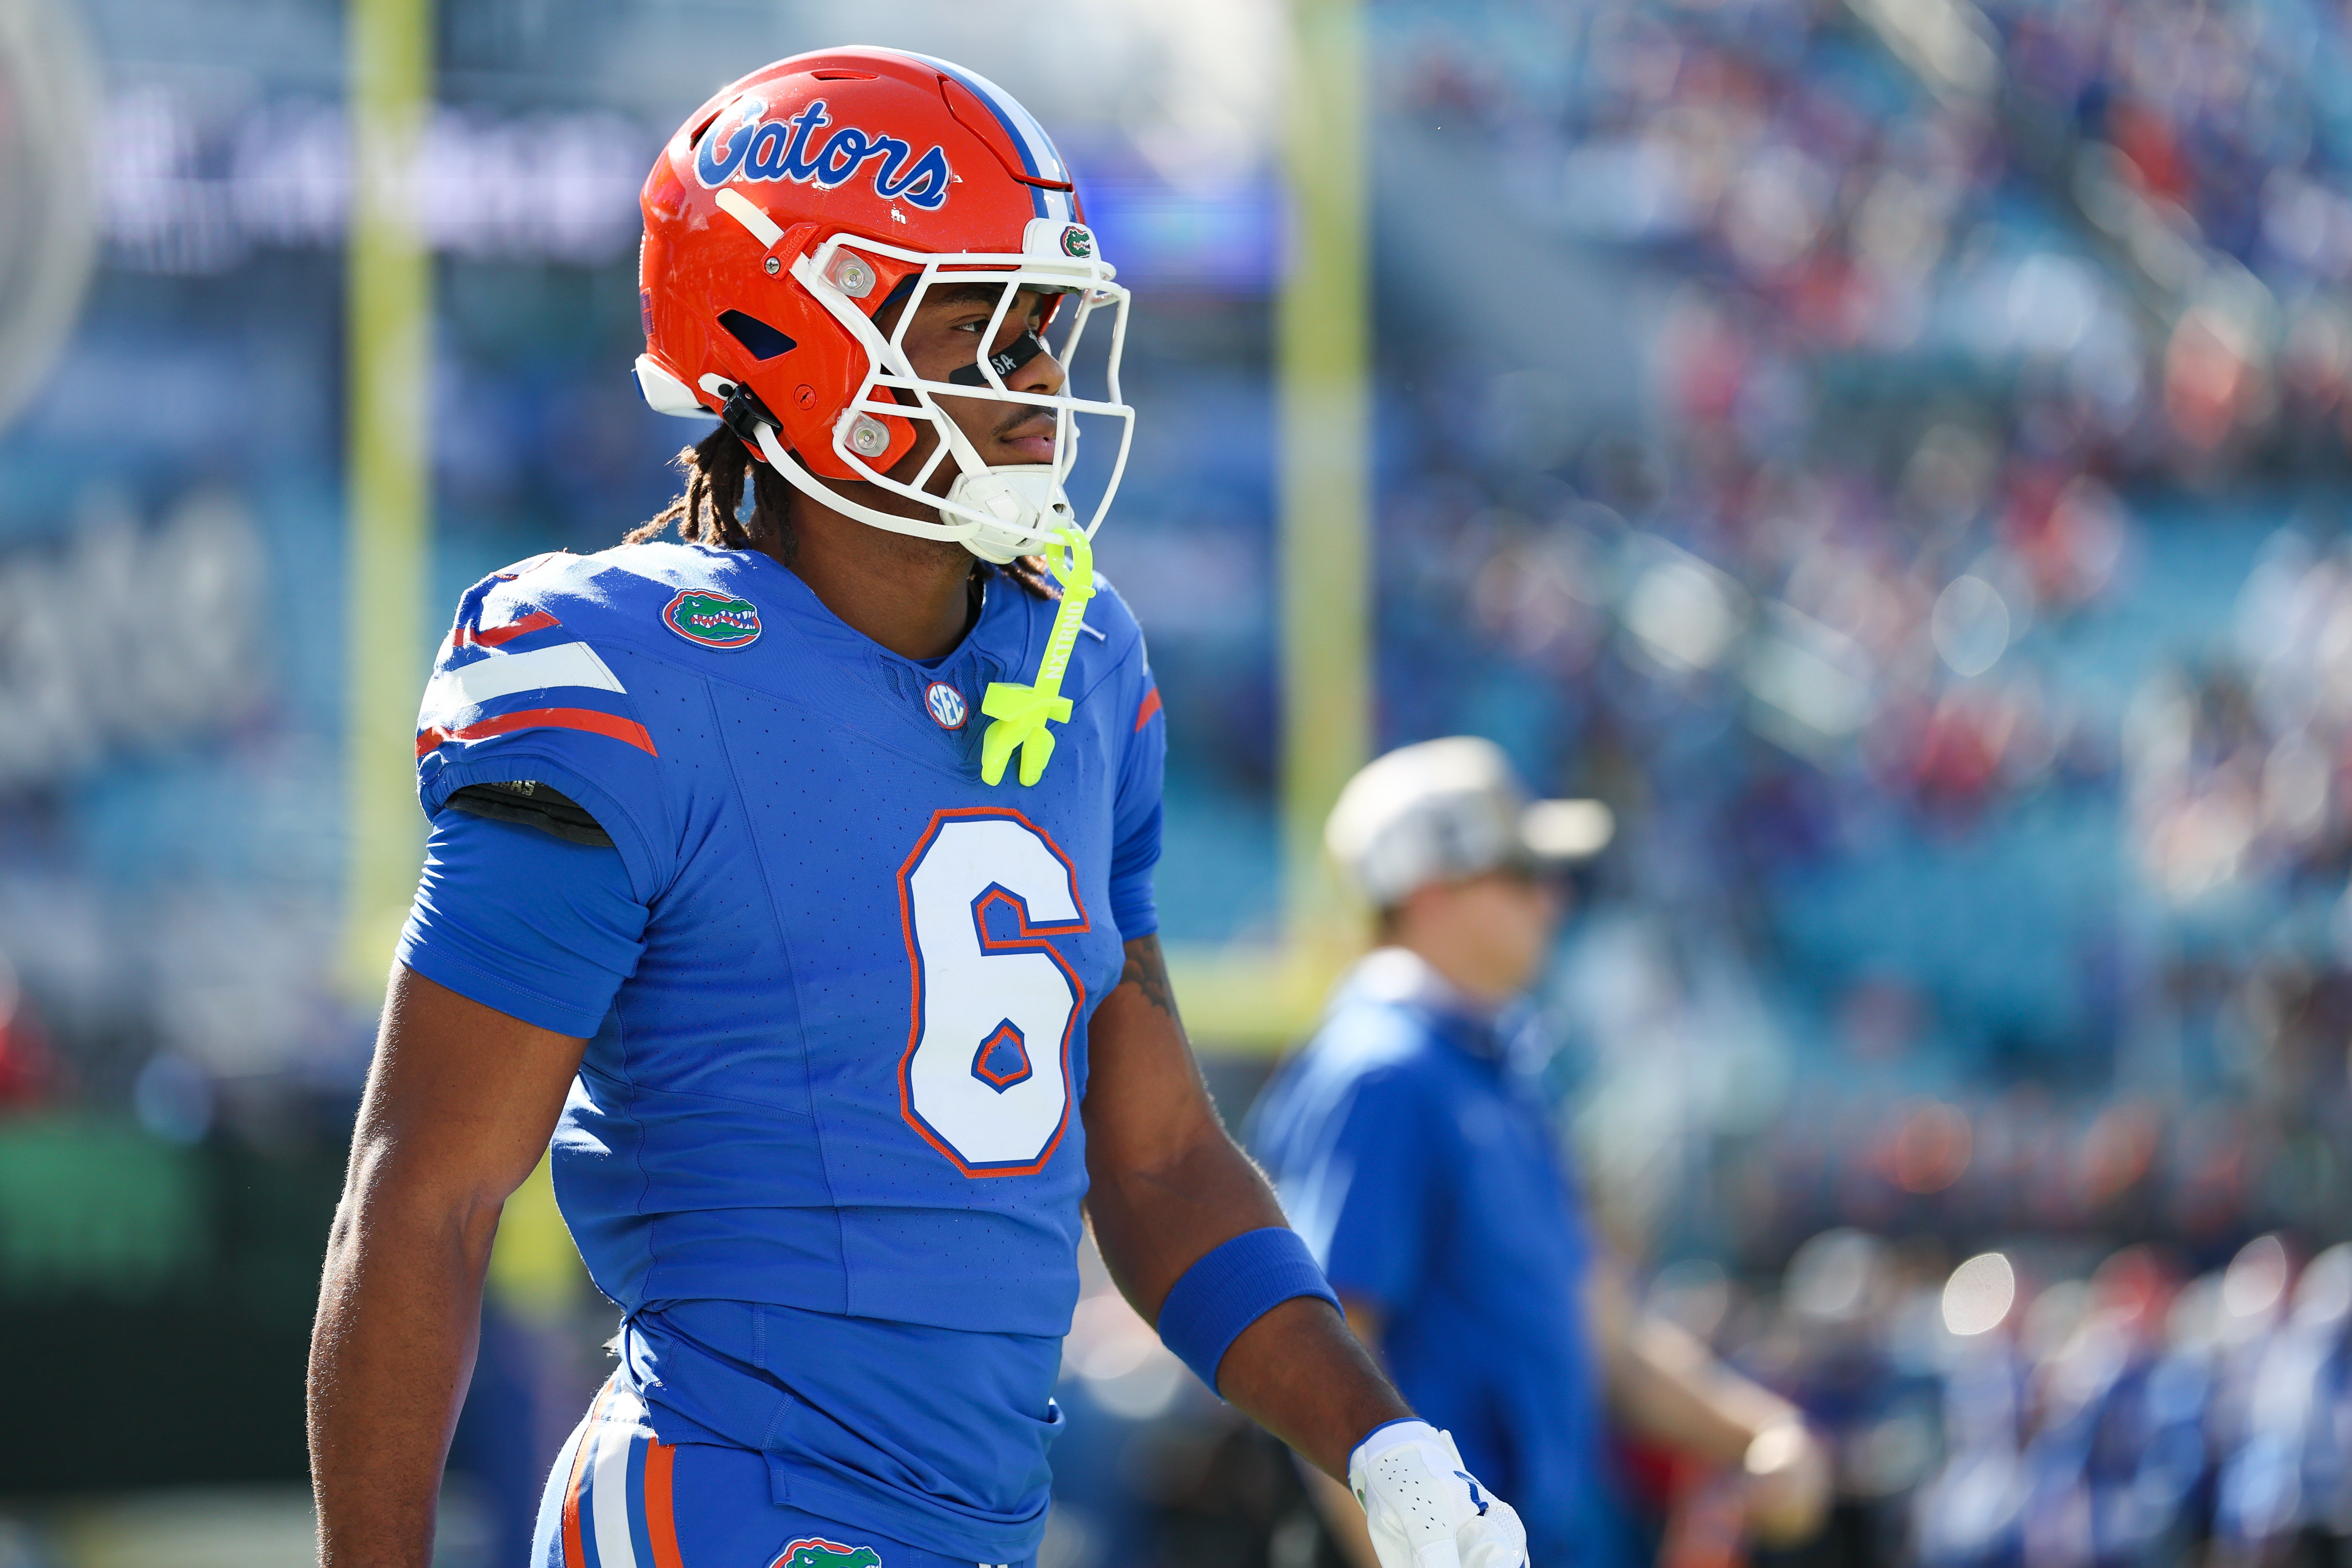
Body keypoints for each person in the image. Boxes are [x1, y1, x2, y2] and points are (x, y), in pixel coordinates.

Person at [306, 49, 1529, 1568]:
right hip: (730, 1508)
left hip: (979, 1527)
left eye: (1044, 328)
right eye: (974, 326)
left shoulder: (1078, 666)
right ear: (785, 331)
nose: (1036, 384)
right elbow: (423, 1195)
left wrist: (1381, 1440)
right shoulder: (623, 668)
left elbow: (1150, 1161)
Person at [1247, 737, 1834, 1568]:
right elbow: (1317, 1363)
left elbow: (1602, 1329)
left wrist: (1756, 1433)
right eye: (1520, 874)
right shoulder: (1383, 1073)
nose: (1551, 902)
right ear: (1428, 890)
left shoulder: (1502, 1070)